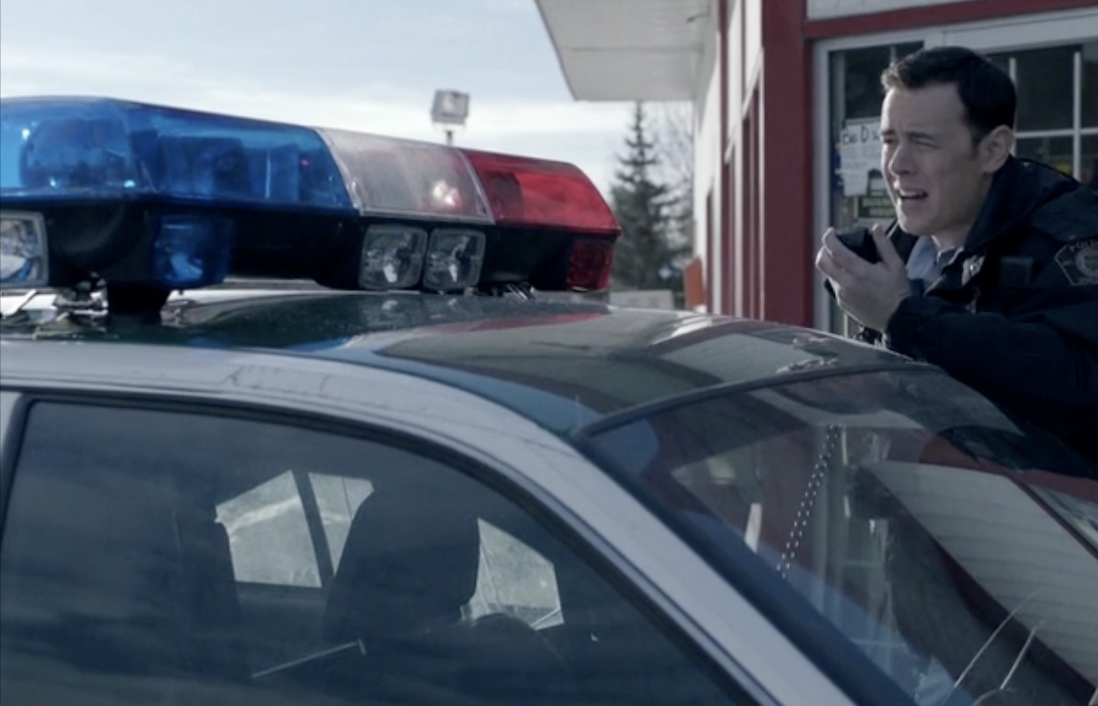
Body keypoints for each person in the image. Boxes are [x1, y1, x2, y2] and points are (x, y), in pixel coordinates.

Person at [815, 46, 1098, 471]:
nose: (897, 165)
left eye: (922, 142)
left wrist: (903, 318)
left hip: (1042, 509)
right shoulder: (896, 248)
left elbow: (1081, 385)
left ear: (993, 150)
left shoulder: (1068, 236)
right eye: (889, 141)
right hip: (921, 500)